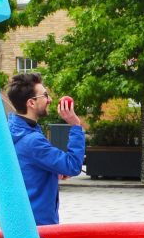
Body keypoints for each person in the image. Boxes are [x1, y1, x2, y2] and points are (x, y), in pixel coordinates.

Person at [7, 73, 85, 225]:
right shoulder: (32, 140)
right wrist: (75, 125)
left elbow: (26, 168)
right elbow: (73, 165)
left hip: (23, 217)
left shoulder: (13, 131)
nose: (49, 100)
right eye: (45, 95)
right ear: (31, 103)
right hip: (39, 223)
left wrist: (51, 171)